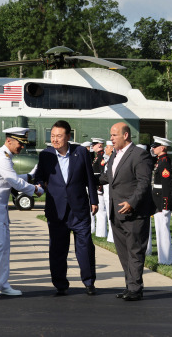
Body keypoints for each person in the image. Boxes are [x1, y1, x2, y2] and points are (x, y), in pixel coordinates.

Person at [0, 127, 44, 298]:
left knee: (3, 248)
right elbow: (14, 182)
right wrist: (35, 189)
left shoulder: (5, 156)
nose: (22, 147)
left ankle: (1, 284)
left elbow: (10, 177)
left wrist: (30, 175)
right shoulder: (2, 158)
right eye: (20, 143)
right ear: (9, 141)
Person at [36, 121, 99, 296]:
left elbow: (89, 178)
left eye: (59, 136)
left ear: (68, 137)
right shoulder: (46, 155)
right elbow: (40, 177)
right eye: (52, 136)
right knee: (57, 249)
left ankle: (89, 282)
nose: (55, 140)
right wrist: (40, 186)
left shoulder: (81, 152)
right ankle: (60, 284)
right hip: (57, 210)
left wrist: (94, 200)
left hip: (79, 209)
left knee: (85, 247)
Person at [99, 122, 154, 301]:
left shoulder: (140, 155)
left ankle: (135, 288)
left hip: (134, 213)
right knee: (123, 252)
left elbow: (144, 183)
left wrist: (132, 202)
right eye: (111, 135)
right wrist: (86, 178)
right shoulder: (115, 155)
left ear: (126, 135)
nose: (111, 138)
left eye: (114, 135)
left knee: (135, 251)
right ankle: (130, 285)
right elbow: (109, 178)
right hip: (117, 213)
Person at [150, 136, 172, 265]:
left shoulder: (164, 162)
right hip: (156, 198)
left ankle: (166, 260)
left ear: (163, 147)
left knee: (163, 231)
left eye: (156, 146)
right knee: (159, 231)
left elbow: (166, 185)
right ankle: (162, 259)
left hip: (161, 200)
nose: (153, 148)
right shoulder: (159, 160)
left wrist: (165, 205)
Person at [92, 138, 108, 238]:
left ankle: (102, 233)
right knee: (99, 212)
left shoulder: (101, 156)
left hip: (99, 185)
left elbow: (102, 173)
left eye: (94, 145)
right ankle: (99, 232)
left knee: (101, 211)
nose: (92, 146)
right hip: (96, 184)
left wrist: (100, 187)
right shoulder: (97, 156)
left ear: (99, 145)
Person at [104, 140, 115, 243]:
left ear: (112, 148)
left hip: (110, 189)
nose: (105, 149)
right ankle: (111, 236)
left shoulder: (113, 158)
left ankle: (112, 236)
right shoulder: (109, 159)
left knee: (111, 213)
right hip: (106, 189)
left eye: (107, 147)